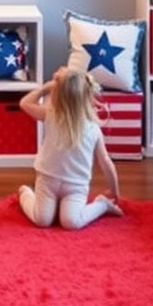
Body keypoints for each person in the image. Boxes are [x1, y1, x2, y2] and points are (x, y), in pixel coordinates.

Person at [16, 65, 123, 229]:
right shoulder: (51, 115)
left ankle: (102, 204)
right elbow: (24, 103)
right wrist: (46, 87)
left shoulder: (92, 129)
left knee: (71, 222)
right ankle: (26, 193)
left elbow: (106, 163)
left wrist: (114, 191)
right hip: (47, 180)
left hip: (76, 185)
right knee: (42, 220)